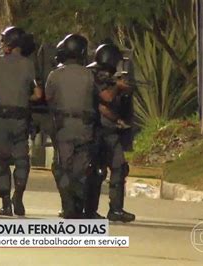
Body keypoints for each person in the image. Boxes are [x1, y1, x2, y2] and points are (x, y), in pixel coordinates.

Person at [0, 26, 42, 216]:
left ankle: (5, 203)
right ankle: (18, 198)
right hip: (20, 118)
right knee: (21, 159)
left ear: (10, 44)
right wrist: (23, 98)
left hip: (0, 119)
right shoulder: (29, 65)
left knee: (1, 160)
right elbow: (38, 94)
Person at [45, 34, 95, 219]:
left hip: (64, 128)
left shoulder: (54, 75)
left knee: (62, 167)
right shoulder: (90, 75)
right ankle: (78, 205)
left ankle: (68, 205)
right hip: (85, 128)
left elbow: (49, 100)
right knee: (81, 169)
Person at [86, 43, 135, 222]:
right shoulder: (94, 75)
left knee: (119, 167)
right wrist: (118, 88)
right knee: (96, 172)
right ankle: (90, 210)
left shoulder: (104, 76)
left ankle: (116, 209)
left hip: (109, 130)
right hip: (99, 129)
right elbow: (104, 99)